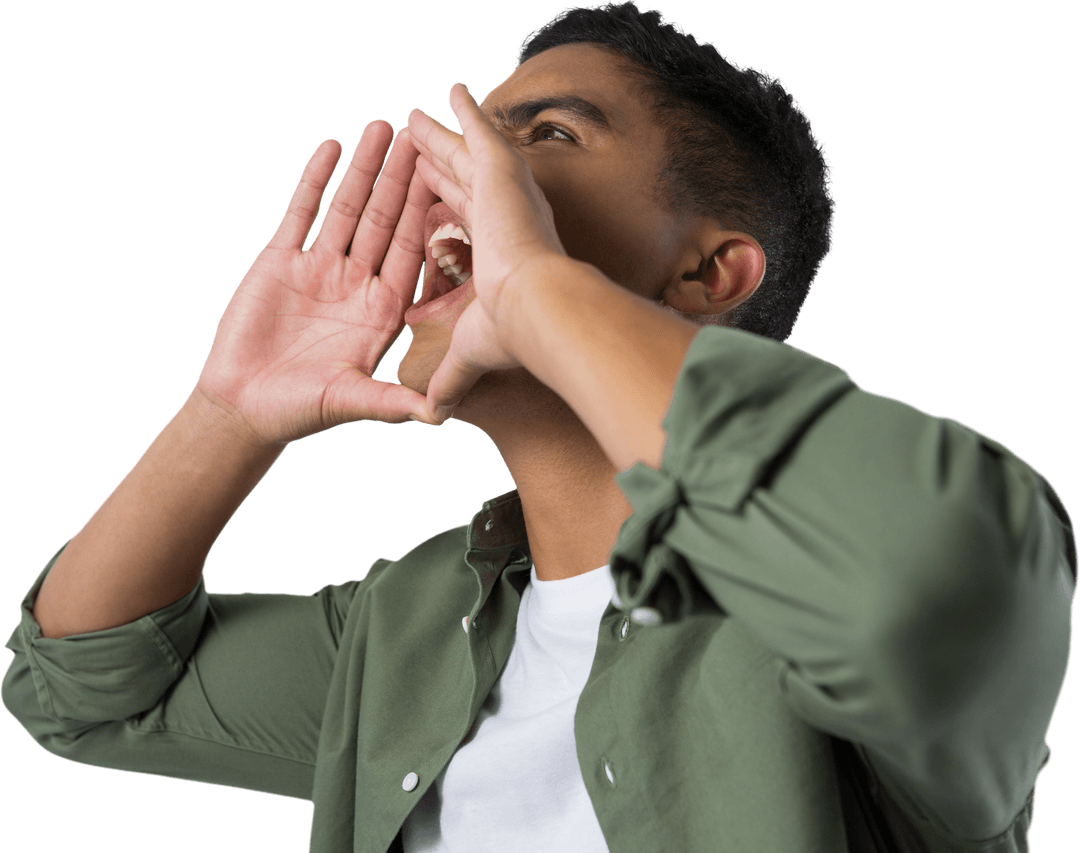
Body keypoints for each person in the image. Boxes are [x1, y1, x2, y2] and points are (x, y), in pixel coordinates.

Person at [3, 3, 1075, 852]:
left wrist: (539, 293)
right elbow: (83, 693)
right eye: (473, 138)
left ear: (709, 273)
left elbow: (932, 572)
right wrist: (228, 414)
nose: (465, 174)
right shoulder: (401, 633)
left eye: (545, 137)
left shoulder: (837, 598)